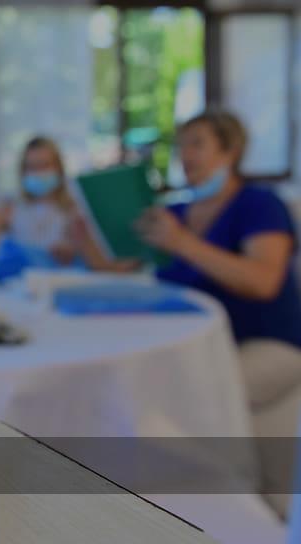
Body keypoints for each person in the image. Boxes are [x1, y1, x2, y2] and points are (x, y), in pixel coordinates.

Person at [135, 110, 301, 515]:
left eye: (197, 144)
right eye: (181, 145)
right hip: (199, 349)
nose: (186, 155)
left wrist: (184, 243)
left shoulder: (259, 204)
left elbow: (263, 282)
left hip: (269, 344)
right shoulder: (174, 214)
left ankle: (239, 516)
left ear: (231, 151)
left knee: (195, 398)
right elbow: (119, 266)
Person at [0, 136, 80, 264]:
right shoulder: (10, 209)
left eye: (45, 165)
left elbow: (86, 253)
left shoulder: (73, 210)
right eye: (32, 167)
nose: (38, 173)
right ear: (23, 171)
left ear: (59, 168)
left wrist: (71, 251)